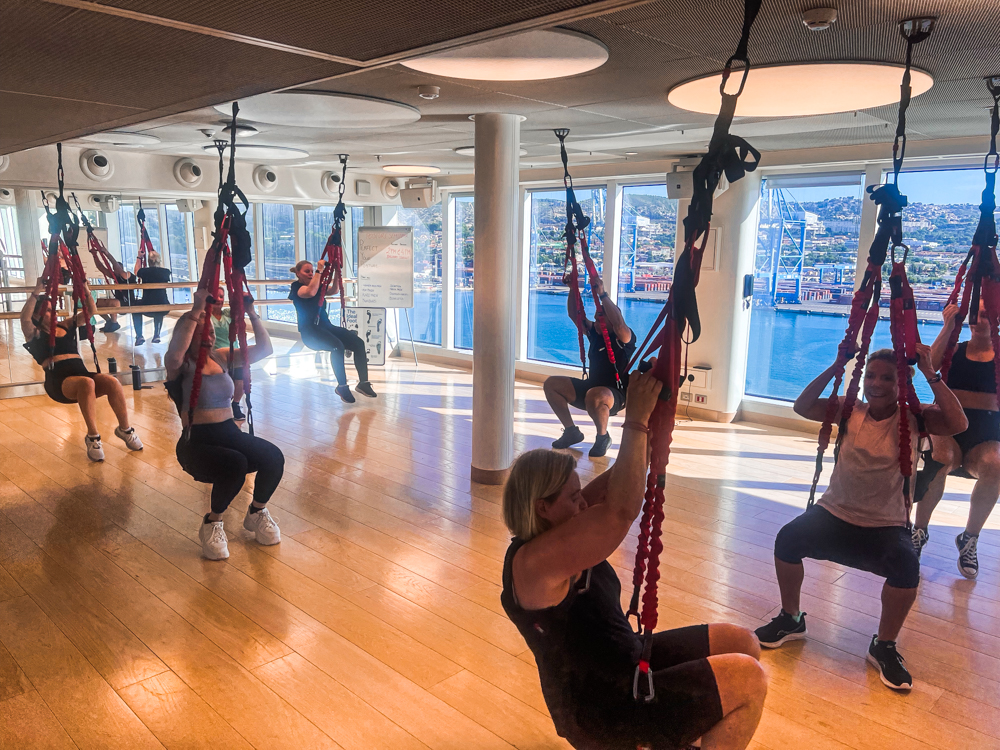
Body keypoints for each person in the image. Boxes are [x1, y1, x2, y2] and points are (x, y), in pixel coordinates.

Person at [502, 365, 766, 750]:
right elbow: (621, 510)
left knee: (742, 643)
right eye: (574, 497)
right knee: (748, 678)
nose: (583, 502)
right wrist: (636, 421)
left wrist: (652, 426)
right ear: (542, 507)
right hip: (604, 707)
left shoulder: (556, 527)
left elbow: (615, 486)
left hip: (624, 659)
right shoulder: (534, 563)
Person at [755, 346, 967, 691]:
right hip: (834, 513)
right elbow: (802, 405)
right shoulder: (849, 409)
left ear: (903, 383)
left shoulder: (916, 418)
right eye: (870, 375)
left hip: (885, 524)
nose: (876, 383)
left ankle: (884, 645)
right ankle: (791, 619)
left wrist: (931, 372)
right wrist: (837, 365)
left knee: (906, 568)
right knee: (788, 539)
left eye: (887, 377)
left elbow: (959, 422)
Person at [165, 288, 283, 560]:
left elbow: (265, 349)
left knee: (272, 457)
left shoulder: (221, 356)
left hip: (229, 433)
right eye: (200, 330)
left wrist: (251, 313)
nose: (207, 334)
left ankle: (256, 512)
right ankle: (212, 522)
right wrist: (196, 310)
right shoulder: (180, 366)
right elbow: (174, 354)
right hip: (197, 442)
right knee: (235, 464)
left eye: (208, 330)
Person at [912, 302, 1000, 578]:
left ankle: (969, 538)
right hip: (949, 430)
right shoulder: (955, 350)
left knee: (997, 464)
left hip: (985, 437)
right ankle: (918, 531)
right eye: (974, 315)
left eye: (984, 315)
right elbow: (929, 366)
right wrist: (949, 325)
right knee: (938, 458)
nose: (977, 321)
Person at [20, 276, 144, 462]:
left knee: (112, 381)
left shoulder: (67, 325)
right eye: (48, 311)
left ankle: (125, 429)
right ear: (37, 316)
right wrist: (36, 291)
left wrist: (85, 289)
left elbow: (91, 311)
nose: (53, 314)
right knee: (86, 383)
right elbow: (24, 317)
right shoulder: (35, 334)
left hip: (81, 374)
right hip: (59, 382)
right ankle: (93, 437)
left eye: (53, 310)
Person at [543, 277, 635, 458]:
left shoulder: (623, 338)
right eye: (596, 318)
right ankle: (571, 431)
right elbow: (573, 315)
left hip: (614, 395)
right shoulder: (594, 334)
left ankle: (603, 437)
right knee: (551, 384)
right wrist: (572, 288)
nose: (596, 322)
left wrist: (602, 294)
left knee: (596, 394)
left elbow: (619, 323)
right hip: (591, 389)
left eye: (601, 319)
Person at [288, 260, 376, 403]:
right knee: (337, 347)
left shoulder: (317, 285)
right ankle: (342, 386)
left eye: (311, 271)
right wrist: (319, 271)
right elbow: (310, 292)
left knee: (358, 343)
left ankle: (363, 383)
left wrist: (336, 272)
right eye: (307, 271)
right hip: (311, 332)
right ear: (298, 273)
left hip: (326, 328)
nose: (310, 273)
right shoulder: (296, 288)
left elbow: (333, 290)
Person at [211, 286, 246, 421]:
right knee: (222, 382)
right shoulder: (206, 316)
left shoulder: (228, 314)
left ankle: (235, 404)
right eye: (215, 296)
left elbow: (240, 305)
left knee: (241, 377)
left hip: (234, 352)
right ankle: (222, 405)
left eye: (221, 296)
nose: (218, 299)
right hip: (216, 355)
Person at [133, 250, 171, 344]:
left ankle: (139, 335)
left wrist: (139, 257)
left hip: (147, 304)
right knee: (159, 305)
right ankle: (157, 334)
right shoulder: (166, 272)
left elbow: (136, 271)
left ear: (148, 262)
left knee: (135, 307)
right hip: (163, 305)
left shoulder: (144, 272)